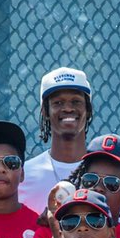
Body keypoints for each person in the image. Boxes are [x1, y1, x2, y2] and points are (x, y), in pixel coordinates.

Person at [21, 66, 95, 214]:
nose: (68, 108)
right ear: (45, 111)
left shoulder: (103, 175)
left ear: (88, 109)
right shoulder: (23, 175)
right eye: (58, 103)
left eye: (76, 102)